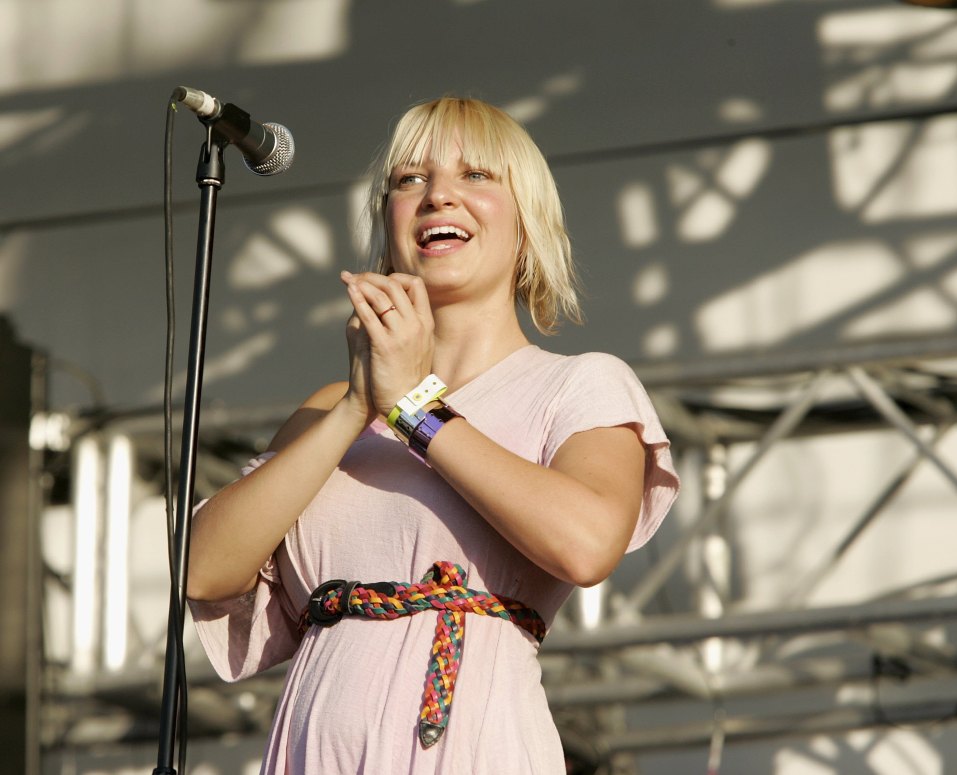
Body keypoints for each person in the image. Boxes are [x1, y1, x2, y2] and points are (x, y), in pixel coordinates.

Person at [186, 96, 680, 774]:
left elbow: (587, 542)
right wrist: (361, 402)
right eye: (408, 179)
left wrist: (416, 409)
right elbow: (204, 567)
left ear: (527, 226)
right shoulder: (332, 409)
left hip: (472, 743)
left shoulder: (579, 385)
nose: (438, 195)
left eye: (476, 175)